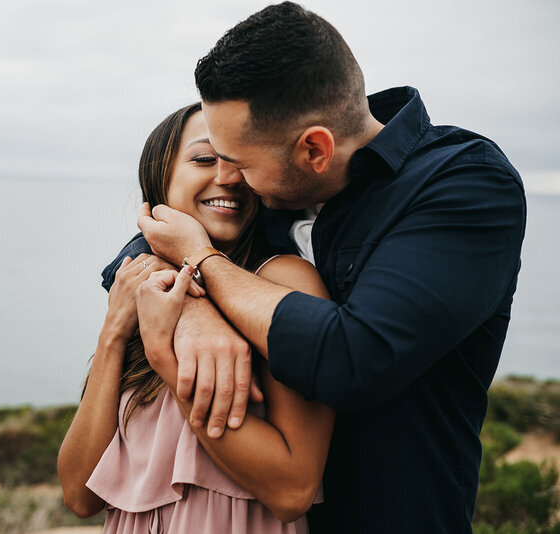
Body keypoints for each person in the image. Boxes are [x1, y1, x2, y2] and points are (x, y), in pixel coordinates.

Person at [103, 3, 527, 534]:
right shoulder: (279, 191)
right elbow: (153, 237)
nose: (231, 179)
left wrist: (203, 263)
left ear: (315, 150)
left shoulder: (462, 186)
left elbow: (355, 358)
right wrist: (194, 311)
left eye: (240, 161)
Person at [58, 103, 335, 533]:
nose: (227, 177)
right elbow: (80, 495)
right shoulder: (141, 291)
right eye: (205, 158)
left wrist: (164, 356)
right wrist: (114, 332)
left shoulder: (284, 281)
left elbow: (292, 490)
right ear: (159, 178)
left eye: (240, 162)